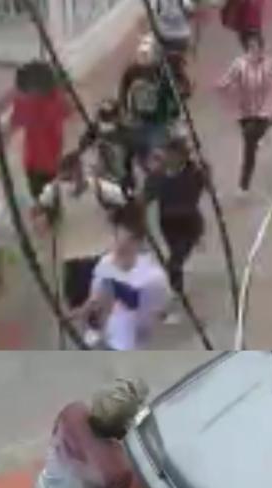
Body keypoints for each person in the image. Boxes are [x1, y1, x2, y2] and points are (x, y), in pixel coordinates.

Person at [69, 204, 171, 351]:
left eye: (119, 236)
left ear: (137, 240)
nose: (113, 241)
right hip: (111, 340)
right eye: (113, 234)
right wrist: (79, 313)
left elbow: (155, 309)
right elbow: (95, 299)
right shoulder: (105, 264)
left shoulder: (153, 276)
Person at [217, 32, 272, 196]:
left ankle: (243, 185)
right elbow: (226, 80)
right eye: (251, 47)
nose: (255, 50)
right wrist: (219, 87)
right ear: (246, 48)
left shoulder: (269, 64)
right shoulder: (239, 64)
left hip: (264, 112)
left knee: (249, 142)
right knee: (250, 137)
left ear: (262, 48)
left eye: (257, 47)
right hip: (245, 112)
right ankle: (264, 134)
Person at [143, 136, 206, 306]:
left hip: (189, 224)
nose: (170, 158)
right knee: (174, 255)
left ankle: (174, 291)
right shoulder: (157, 177)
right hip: (168, 224)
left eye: (174, 155)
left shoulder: (194, 173)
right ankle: (177, 288)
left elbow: (204, 183)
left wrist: (202, 167)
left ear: (182, 156)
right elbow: (146, 198)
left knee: (175, 260)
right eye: (168, 154)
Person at [12, 70, 70, 222]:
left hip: (41, 158)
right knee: (43, 190)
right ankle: (49, 213)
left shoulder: (47, 101)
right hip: (40, 158)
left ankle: (49, 214)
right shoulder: (53, 100)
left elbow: (18, 119)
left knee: (43, 189)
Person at [120, 37, 182, 169]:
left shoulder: (160, 71)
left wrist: (175, 113)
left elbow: (171, 94)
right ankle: (148, 166)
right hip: (145, 118)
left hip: (153, 118)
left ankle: (151, 167)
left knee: (153, 147)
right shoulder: (134, 71)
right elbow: (124, 91)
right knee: (147, 147)